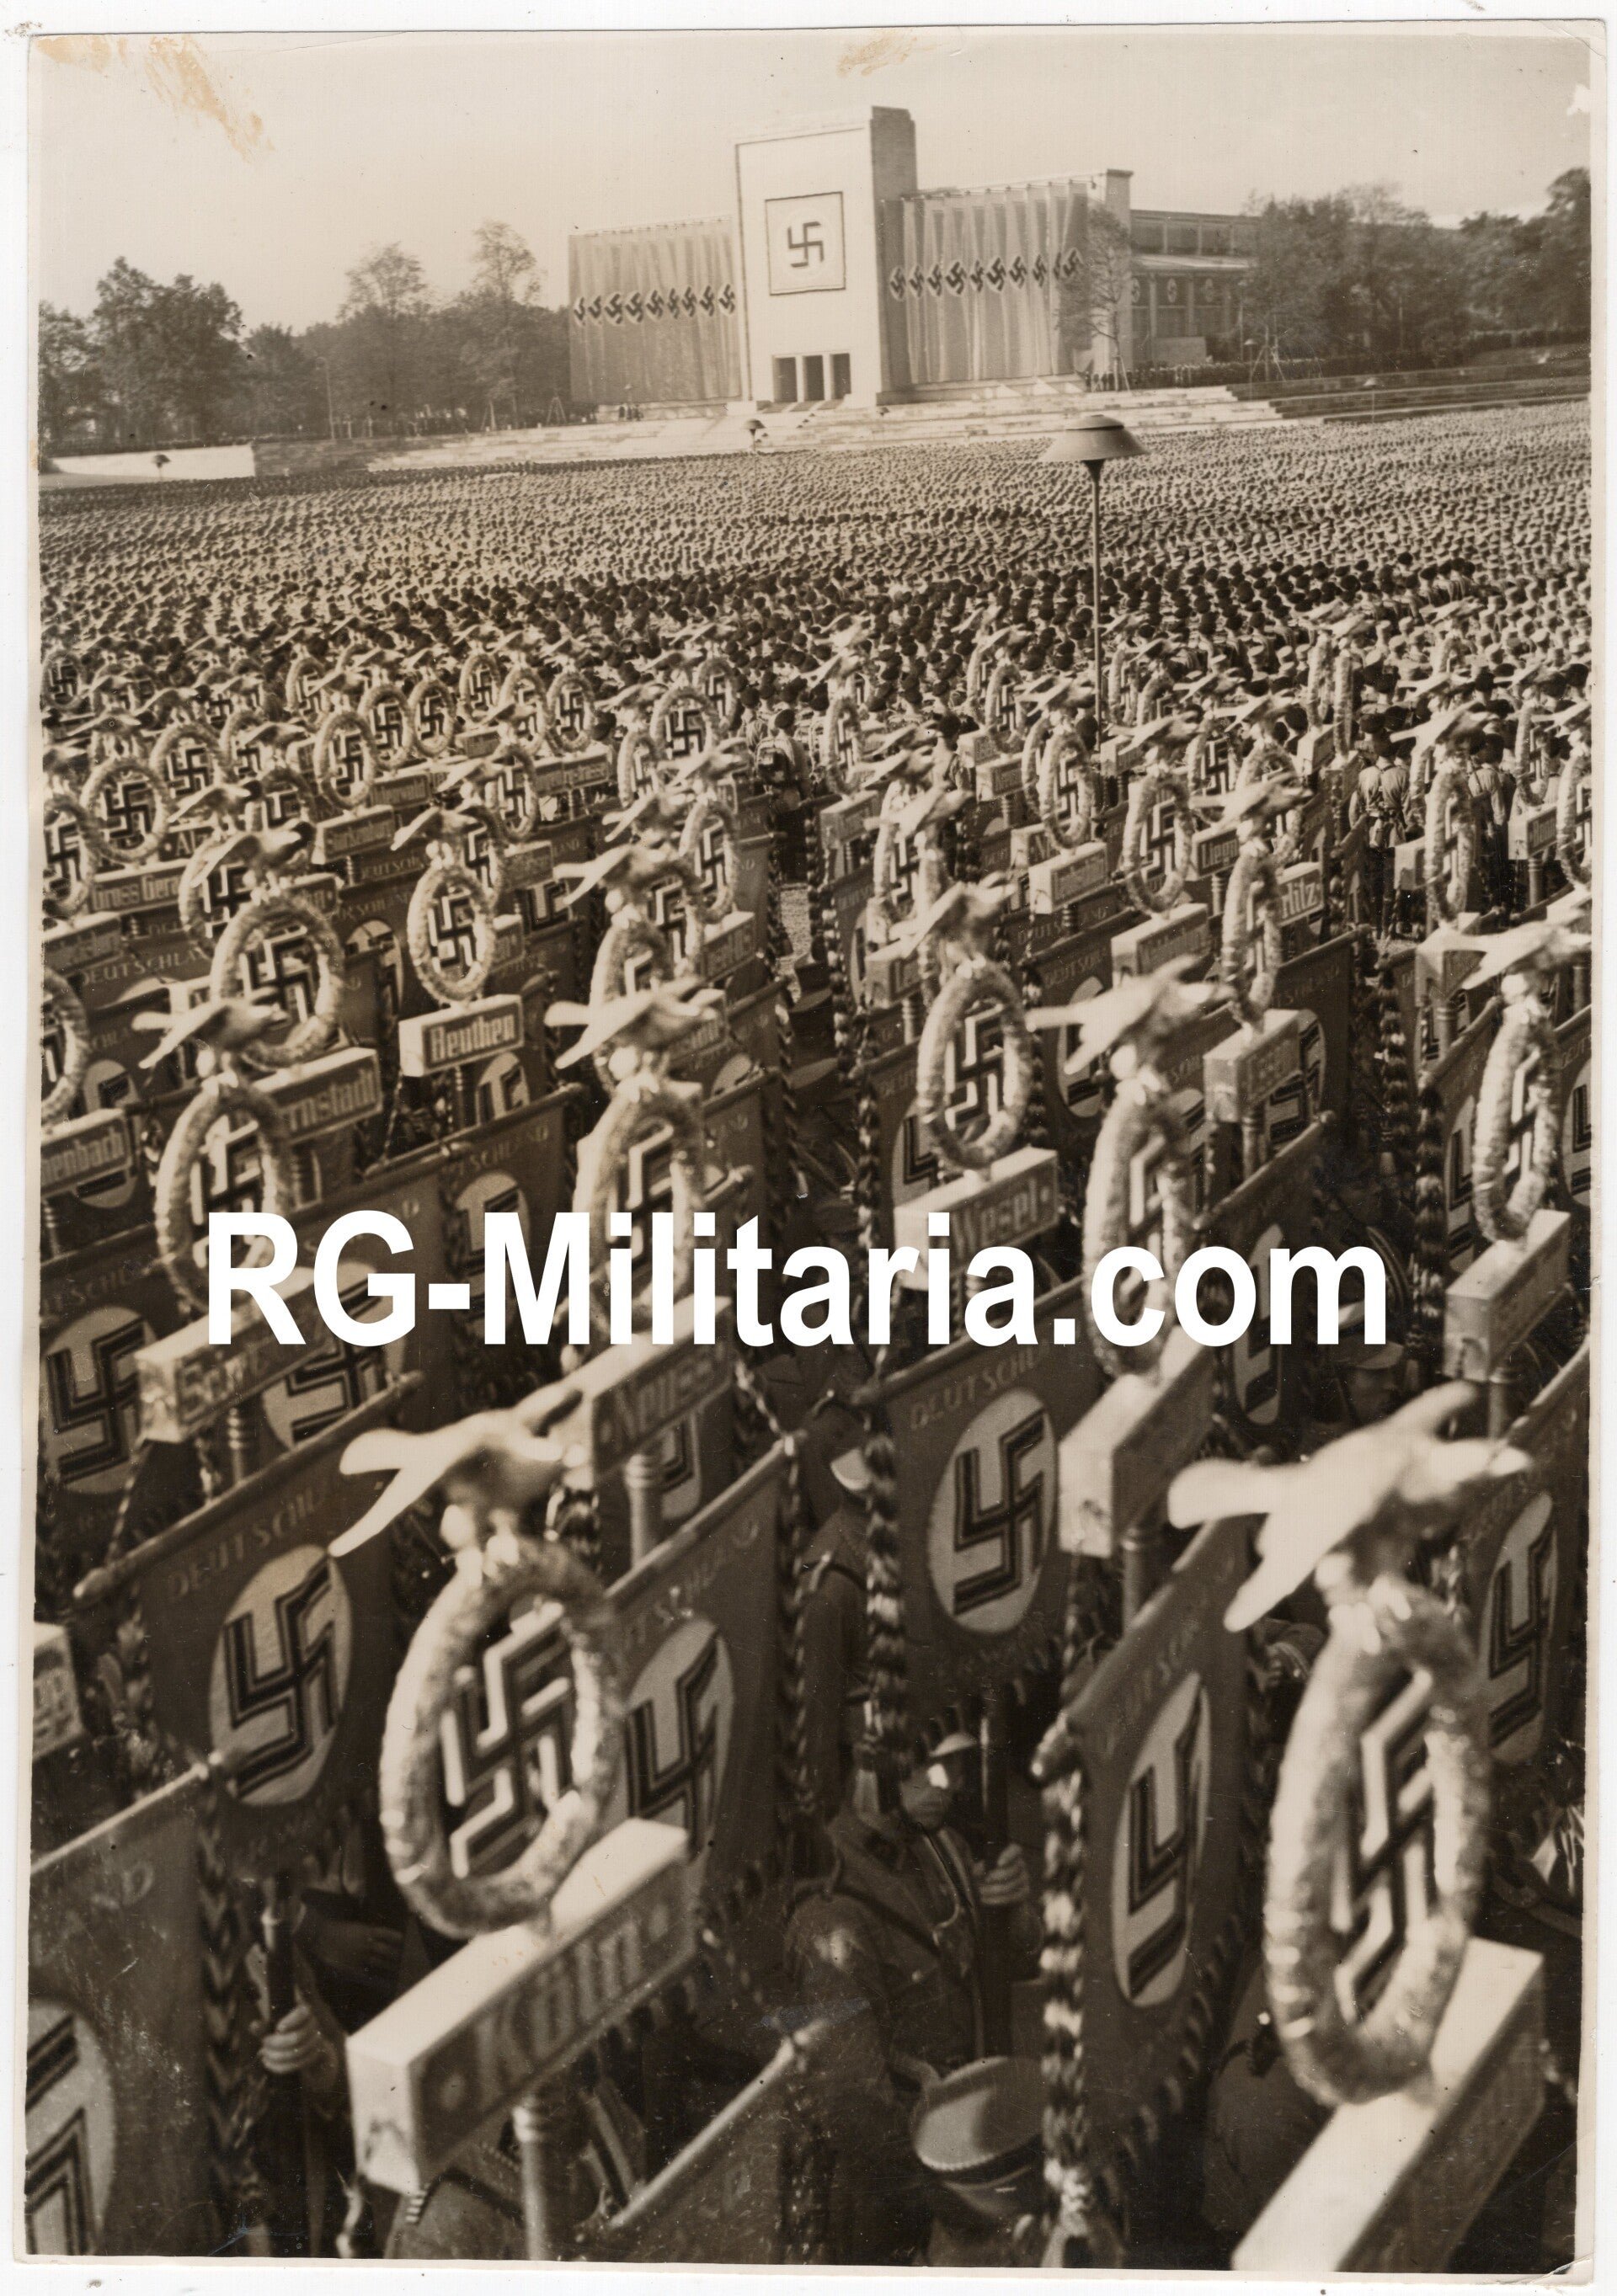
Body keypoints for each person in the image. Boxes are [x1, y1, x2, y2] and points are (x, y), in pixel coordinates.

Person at [784, 1732, 1039, 2263]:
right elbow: (857, 2115)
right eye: (926, 1767)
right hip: (903, 2203)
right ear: (865, 1769)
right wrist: (960, 2211)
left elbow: (1013, 1966)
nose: (952, 1784)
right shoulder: (832, 1918)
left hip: (977, 2152)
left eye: (955, 1766)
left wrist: (1014, 1909)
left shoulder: (941, 1845)